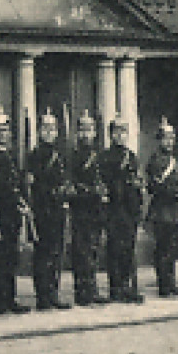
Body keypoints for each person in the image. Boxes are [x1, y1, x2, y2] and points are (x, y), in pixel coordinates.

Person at [0, 111, 31, 315]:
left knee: (10, 256)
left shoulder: (8, 155)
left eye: (6, 130)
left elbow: (14, 185)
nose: (3, 134)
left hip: (11, 214)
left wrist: (21, 201)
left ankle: (9, 297)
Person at [24, 110, 72, 310]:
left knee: (56, 253)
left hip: (58, 211)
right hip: (43, 211)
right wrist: (53, 192)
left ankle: (53, 292)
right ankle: (43, 296)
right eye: (45, 128)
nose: (49, 132)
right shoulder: (35, 155)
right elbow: (34, 186)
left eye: (53, 128)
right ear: (39, 131)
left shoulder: (60, 154)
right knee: (43, 254)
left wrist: (64, 192)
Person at [99, 119, 146, 303]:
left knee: (129, 249)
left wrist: (138, 190)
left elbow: (138, 181)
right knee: (115, 250)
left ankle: (128, 287)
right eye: (116, 132)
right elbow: (106, 183)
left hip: (130, 209)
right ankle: (116, 288)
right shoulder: (105, 158)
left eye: (123, 132)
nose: (120, 136)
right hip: (115, 209)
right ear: (111, 135)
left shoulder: (132, 156)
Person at [144, 119, 178, 298]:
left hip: (173, 211)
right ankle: (164, 286)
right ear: (159, 140)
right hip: (162, 210)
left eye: (172, 138)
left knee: (171, 248)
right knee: (163, 249)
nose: (169, 142)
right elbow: (158, 188)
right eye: (166, 139)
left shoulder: (173, 159)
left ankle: (170, 283)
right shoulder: (156, 160)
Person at [67, 110, 109, 306]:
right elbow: (72, 184)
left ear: (95, 133)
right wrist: (91, 192)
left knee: (93, 249)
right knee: (81, 251)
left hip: (96, 210)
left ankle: (92, 288)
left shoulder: (99, 156)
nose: (86, 134)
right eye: (82, 130)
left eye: (89, 130)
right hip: (81, 209)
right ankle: (82, 292)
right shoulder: (73, 157)